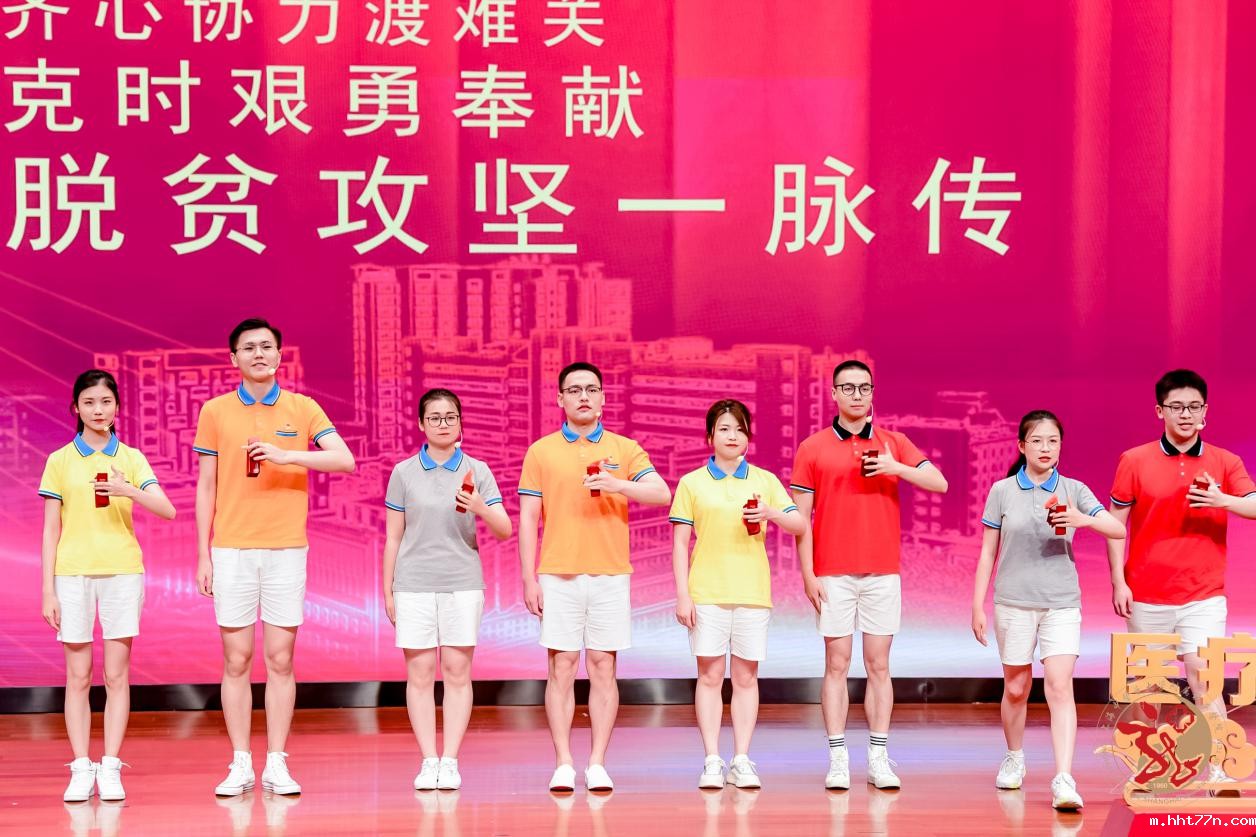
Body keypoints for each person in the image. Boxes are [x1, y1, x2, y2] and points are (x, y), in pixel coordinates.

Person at [194, 318, 356, 797]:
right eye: (249, 348)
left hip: (286, 548)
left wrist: (289, 456)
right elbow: (206, 485)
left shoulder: (302, 408)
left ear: (280, 356)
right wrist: (203, 553)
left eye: (267, 346)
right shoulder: (215, 411)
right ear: (234, 359)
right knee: (236, 658)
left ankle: (277, 762)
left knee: (281, 659)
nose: (259, 354)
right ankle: (240, 762)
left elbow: (344, 459)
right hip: (232, 549)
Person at [791, 359, 948, 790]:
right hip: (833, 573)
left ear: (873, 392)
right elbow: (801, 520)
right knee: (836, 663)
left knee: (879, 664)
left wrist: (897, 468)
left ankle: (878, 758)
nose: (857, 395)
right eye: (848, 387)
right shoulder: (812, 447)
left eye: (864, 387)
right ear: (834, 394)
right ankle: (838, 758)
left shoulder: (894, 443)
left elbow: (940, 483)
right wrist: (808, 574)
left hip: (882, 572)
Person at [518, 361, 672, 792]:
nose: (583, 396)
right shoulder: (541, 451)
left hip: (610, 573)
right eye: (574, 390)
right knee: (562, 667)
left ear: (603, 398)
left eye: (591, 389)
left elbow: (662, 493)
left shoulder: (625, 448)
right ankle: (564, 762)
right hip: (558, 573)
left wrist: (618, 484)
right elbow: (528, 518)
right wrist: (529, 579)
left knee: (604, 666)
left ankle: (598, 762)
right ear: (560, 399)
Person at [1107, 369, 1256, 791]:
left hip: (1203, 594)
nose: (1186, 414)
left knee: (1203, 678)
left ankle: (1220, 767)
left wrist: (1222, 499)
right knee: (1148, 687)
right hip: (1146, 594)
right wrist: (1118, 581)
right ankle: (1147, 768)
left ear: (1205, 411)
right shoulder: (1134, 460)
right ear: (1160, 411)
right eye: (1176, 407)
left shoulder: (1225, 462)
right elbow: (1115, 523)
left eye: (1194, 406)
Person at [971, 410, 1125, 810]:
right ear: (1021, 446)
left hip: (1061, 603)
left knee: (1059, 685)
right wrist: (977, 605)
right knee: (1016, 688)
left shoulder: (1075, 489)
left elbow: (1118, 529)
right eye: (1037, 440)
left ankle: (1064, 778)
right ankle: (1014, 757)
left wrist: (1081, 519)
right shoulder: (1002, 490)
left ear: (1061, 446)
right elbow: (988, 552)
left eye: (1053, 441)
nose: (1045, 448)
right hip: (1013, 602)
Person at [39, 369, 176, 802]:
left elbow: (167, 509)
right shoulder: (60, 460)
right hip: (72, 574)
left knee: (116, 676)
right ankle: (82, 766)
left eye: (106, 402)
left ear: (117, 407)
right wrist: (48, 590)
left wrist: (128, 489)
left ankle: (111, 765)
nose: (98, 410)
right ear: (76, 408)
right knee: (78, 676)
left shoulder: (131, 458)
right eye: (89, 402)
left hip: (121, 572)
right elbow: (50, 530)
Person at [670, 399, 805, 789]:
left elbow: (799, 523)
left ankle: (742, 759)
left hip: (752, 593)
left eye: (740, 429)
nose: (733, 436)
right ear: (710, 436)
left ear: (749, 437)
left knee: (746, 678)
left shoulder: (764, 480)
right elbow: (680, 544)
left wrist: (772, 513)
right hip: (706, 593)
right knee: (710, 676)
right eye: (725, 429)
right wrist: (683, 595)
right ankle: (712, 760)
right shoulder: (692, 482)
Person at [383, 388, 512, 791]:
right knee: (419, 675)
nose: (443, 424)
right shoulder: (403, 472)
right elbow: (393, 537)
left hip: (462, 584)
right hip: (414, 585)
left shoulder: (478, 470)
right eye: (435, 418)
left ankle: (450, 760)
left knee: (457, 673)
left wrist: (481, 507)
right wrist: (388, 591)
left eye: (450, 417)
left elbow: (505, 529)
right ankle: (428, 761)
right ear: (421, 424)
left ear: (460, 422)